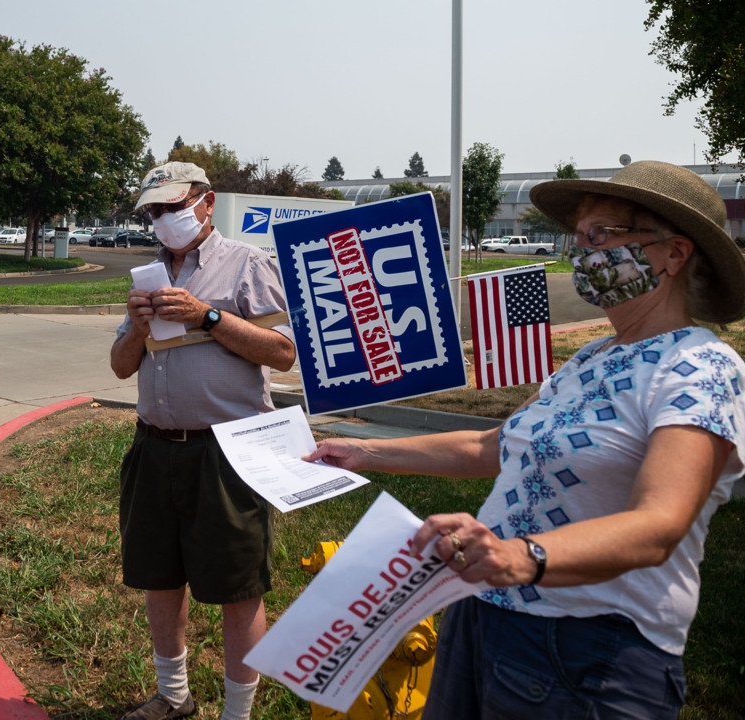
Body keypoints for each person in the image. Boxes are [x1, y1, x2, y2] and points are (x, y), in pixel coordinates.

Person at [306, 160, 745, 718]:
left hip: (589, 651)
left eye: (601, 235)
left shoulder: (701, 368)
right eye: (579, 237)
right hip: (482, 613)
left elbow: (659, 523)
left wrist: (519, 557)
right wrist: (364, 452)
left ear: (674, 254)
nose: (582, 252)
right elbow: (493, 446)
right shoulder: (591, 357)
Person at [110, 161, 296, 720]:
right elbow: (120, 368)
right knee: (160, 578)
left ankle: (237, 714)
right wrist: (139, 330)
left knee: (238, 588)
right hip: (155, 446)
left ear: (206, 203)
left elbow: (284, 352)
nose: (164, 218)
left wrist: (208, 315)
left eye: (173, 205)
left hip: (230, 451)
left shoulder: (247, 264)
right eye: (154, 211)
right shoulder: (148, 277)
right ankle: (173, 697)